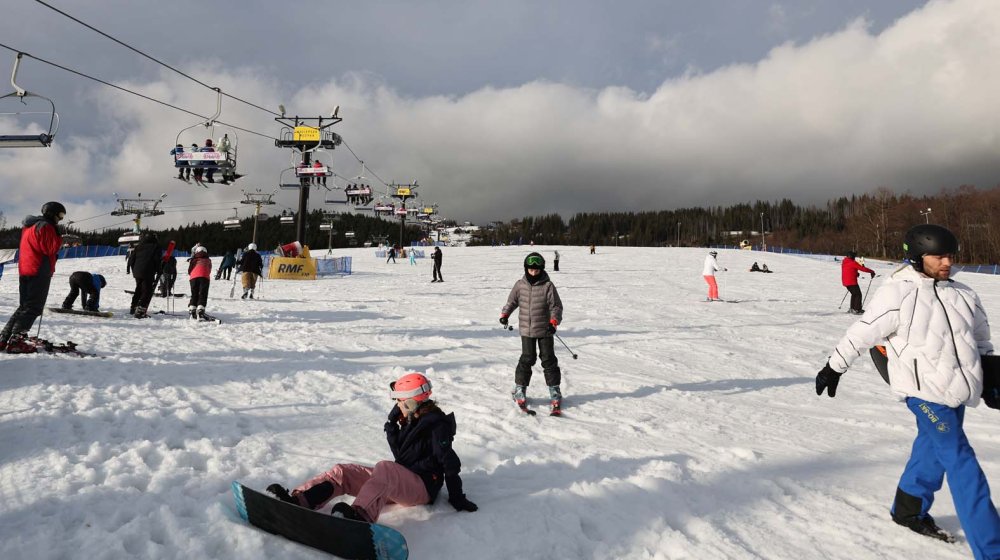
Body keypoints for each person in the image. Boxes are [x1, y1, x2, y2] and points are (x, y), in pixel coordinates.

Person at [816, 224, 1000, 558]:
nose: (947, 262)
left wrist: (992, 376)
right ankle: (992, 549)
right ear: (917, 256)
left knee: (931, 448)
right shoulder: (899, 292)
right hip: (923, 392)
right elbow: (864, 332)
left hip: (957, 389)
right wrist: (834, 366)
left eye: (950, 256)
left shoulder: (964, 294)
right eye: (938, 256)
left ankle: (908, 507)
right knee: (961, 461)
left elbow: (981, 340)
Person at [265, 372, 478, 523]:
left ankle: (360, 517)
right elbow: (402, 456)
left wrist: (457, 498)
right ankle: (299, 500)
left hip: (422, 488)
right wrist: (392, 426)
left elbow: (449, 463)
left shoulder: (436, 425)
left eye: (399, 401)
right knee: (343, 472)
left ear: (412, 402)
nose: (397, 405)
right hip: (401, 481)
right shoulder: (411, 420)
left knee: (385, 468)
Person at [500, 252, 565, 415]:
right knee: (527, 358)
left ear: (542, 269)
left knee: (548, 359)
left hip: (545, 330)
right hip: (527, 330)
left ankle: (555, 391)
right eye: (530, 270)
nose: (533, 272)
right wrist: (505, 314)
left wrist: (553, 322)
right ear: (526, 269)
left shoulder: (548, 286)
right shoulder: (520, 285)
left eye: (536, 270)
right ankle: (520, 389)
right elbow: (512, 302)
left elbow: (555, 307)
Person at [0, 202, 65, 352]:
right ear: (52, 213)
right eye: (60, 215)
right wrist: (59, 237)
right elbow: (50, 249)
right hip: (39, 270)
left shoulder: (29, 226)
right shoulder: (46, 227)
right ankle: (16, 340)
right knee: (34, 307)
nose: (60, 219)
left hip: (26, 269)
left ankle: (4, 338)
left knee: (24, 306)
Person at [127, 232, 162, 318]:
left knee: (138, 289)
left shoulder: (138, 246)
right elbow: (157, 259)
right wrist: (159, 270)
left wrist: (133, 270)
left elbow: (131, 259)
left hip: (137, 271)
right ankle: (140, 309)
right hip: (148, 271)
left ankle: (133, 307)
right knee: (147, 290)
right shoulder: (155, 247)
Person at [842, 250, 876, 314]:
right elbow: (862, 268)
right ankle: (857, 309)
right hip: (851, 282)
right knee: (858, 295)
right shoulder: (852, 262)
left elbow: (848, 269)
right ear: (851, 256)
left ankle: (852, 308)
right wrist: (871, 271)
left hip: (846, 282)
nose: (855, 257)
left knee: (854, 294)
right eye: (854, 256)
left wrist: (855, 273)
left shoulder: (845, 262)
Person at [187, 245, 212, 319]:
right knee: (202, 293)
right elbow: (209, 269)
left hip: (193, 278)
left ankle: (192, 310)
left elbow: (189, 270)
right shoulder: (208, 260)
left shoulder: (193, 260)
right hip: (204, 277)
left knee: (194, 293)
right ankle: (200, 310)